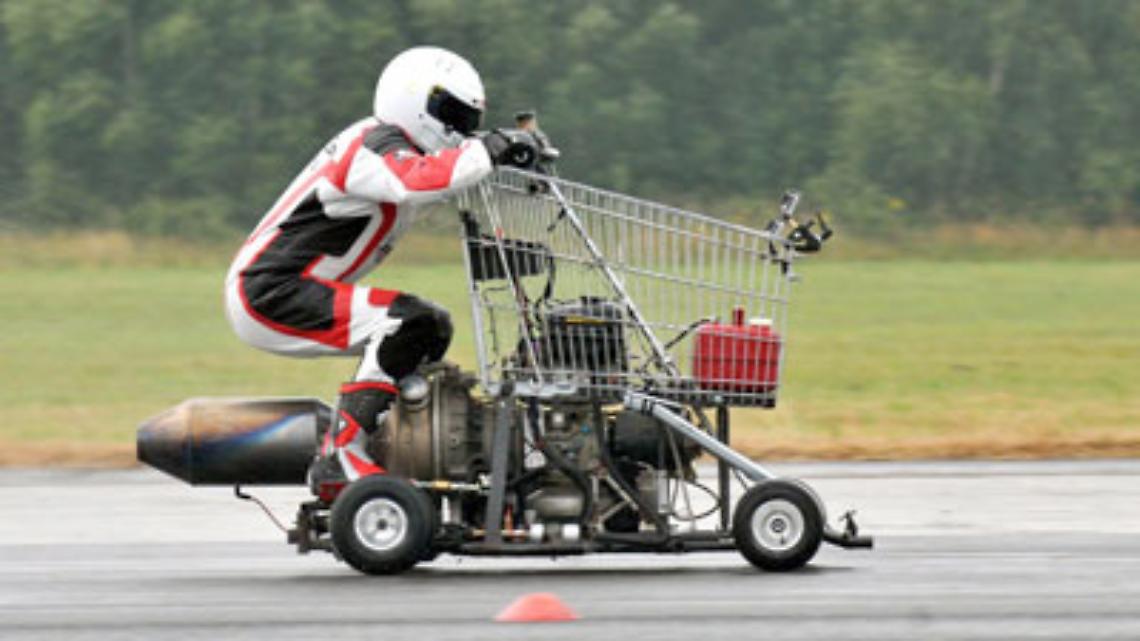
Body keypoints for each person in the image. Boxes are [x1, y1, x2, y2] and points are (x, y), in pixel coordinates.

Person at [224, 46, 523, 492]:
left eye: (470, 122)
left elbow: (441, 179)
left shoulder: (390, 145)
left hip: (283, 287)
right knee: (407, 322)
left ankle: (406, 446)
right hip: (270, 292)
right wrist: (488, 150)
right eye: (455, 117)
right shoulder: (371, 148)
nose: (462, 132)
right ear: (420, 102)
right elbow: (415, 180)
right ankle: (340, 456)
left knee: (430, 328)